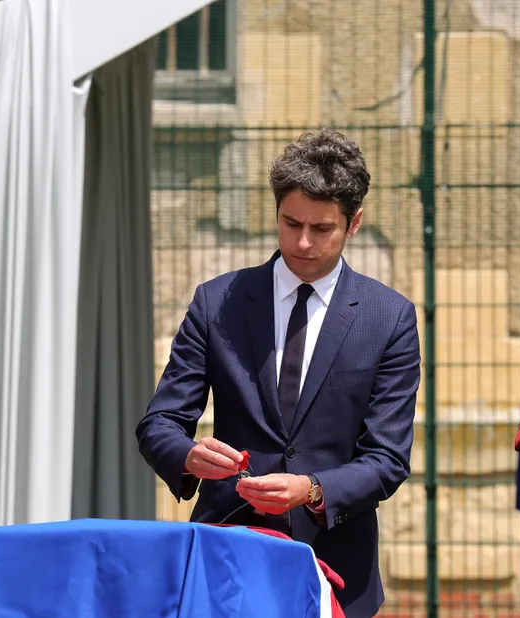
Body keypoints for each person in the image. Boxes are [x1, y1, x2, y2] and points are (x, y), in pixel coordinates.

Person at [135, 127, 420, 618]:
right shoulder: (216, 301)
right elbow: (158, 424)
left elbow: (387, 459)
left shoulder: (388, 317)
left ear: (354, 224)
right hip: (227, 554)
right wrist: (189, 455)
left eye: (322, 229)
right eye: (291, 224)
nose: (303, 242)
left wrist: (311, 489)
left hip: (336, 567)